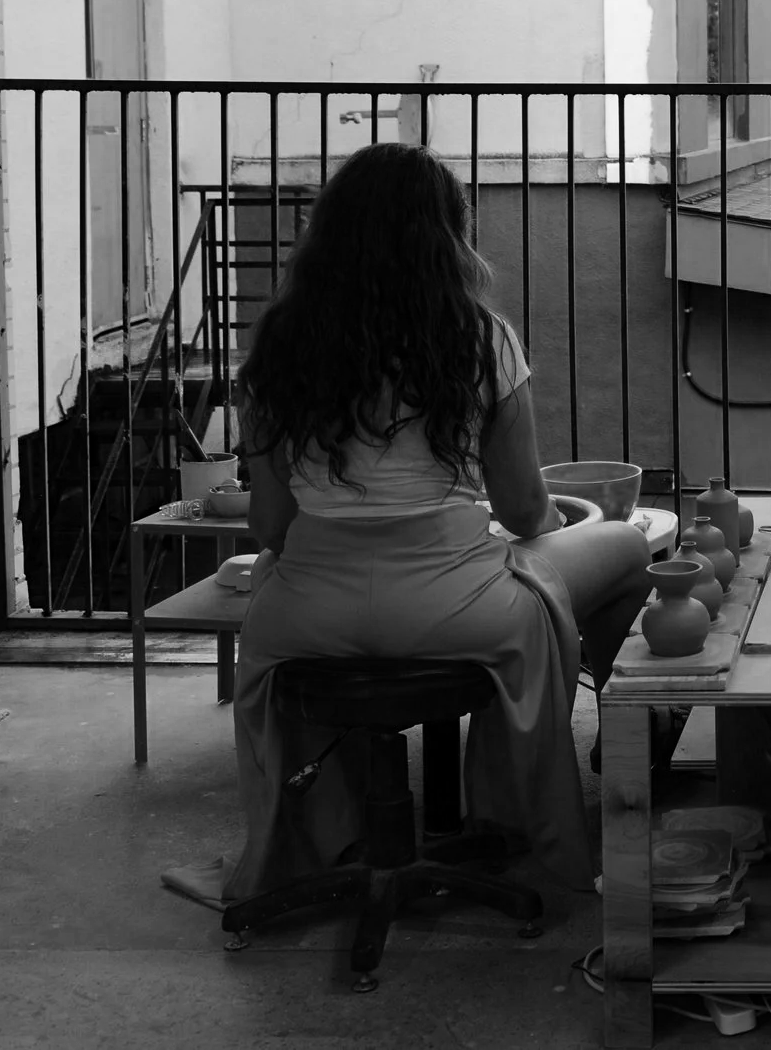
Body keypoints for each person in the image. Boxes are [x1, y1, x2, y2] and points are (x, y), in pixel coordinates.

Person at [220, 143, 653, 902]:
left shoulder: (279, 344)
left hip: (304, 616)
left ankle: (333, 829)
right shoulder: (480, 337)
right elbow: (523, 510)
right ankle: (603, 780)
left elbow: (270, 524)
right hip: (456, 608)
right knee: (630, 541)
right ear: (447, 234)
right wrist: (559, 518)